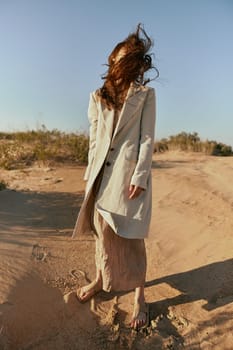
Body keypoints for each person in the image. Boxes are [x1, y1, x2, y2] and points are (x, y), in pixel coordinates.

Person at [72, 23, 158, 330]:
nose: (119, 66)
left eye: (126, 62)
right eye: (116, 60)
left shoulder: (146, 95)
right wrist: (89, 175)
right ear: (112, 60)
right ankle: (99, 280)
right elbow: (95, 140)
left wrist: (141, 175)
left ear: (135, 66)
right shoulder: (98, 96)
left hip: (128, 175)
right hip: (100, 175)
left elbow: (147, 138)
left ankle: (139, 296)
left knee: (131, 235)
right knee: (101, 230)